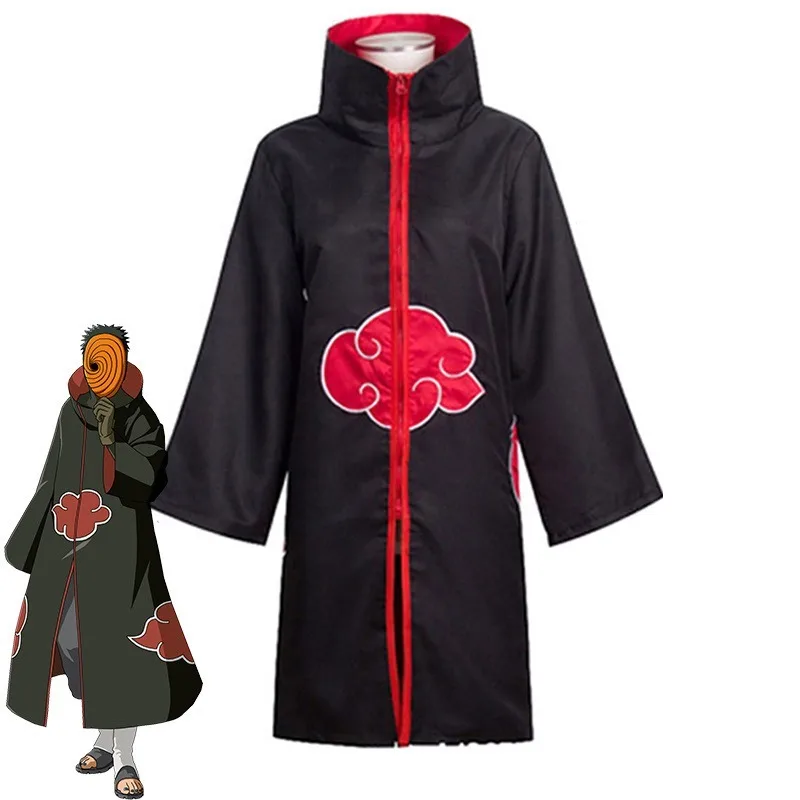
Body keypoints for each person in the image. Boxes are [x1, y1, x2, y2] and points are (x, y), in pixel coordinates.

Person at [6, 324, 202, 798]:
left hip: (122, 550)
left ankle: (124, 756)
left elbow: (152, 477)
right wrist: (28, 540)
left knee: (121, 650)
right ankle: (103, 738)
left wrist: (113, 442)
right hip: (65, 547)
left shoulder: (139, 414)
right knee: (72, 639)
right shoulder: (69, 412)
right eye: (93, 357)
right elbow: (51, 475)